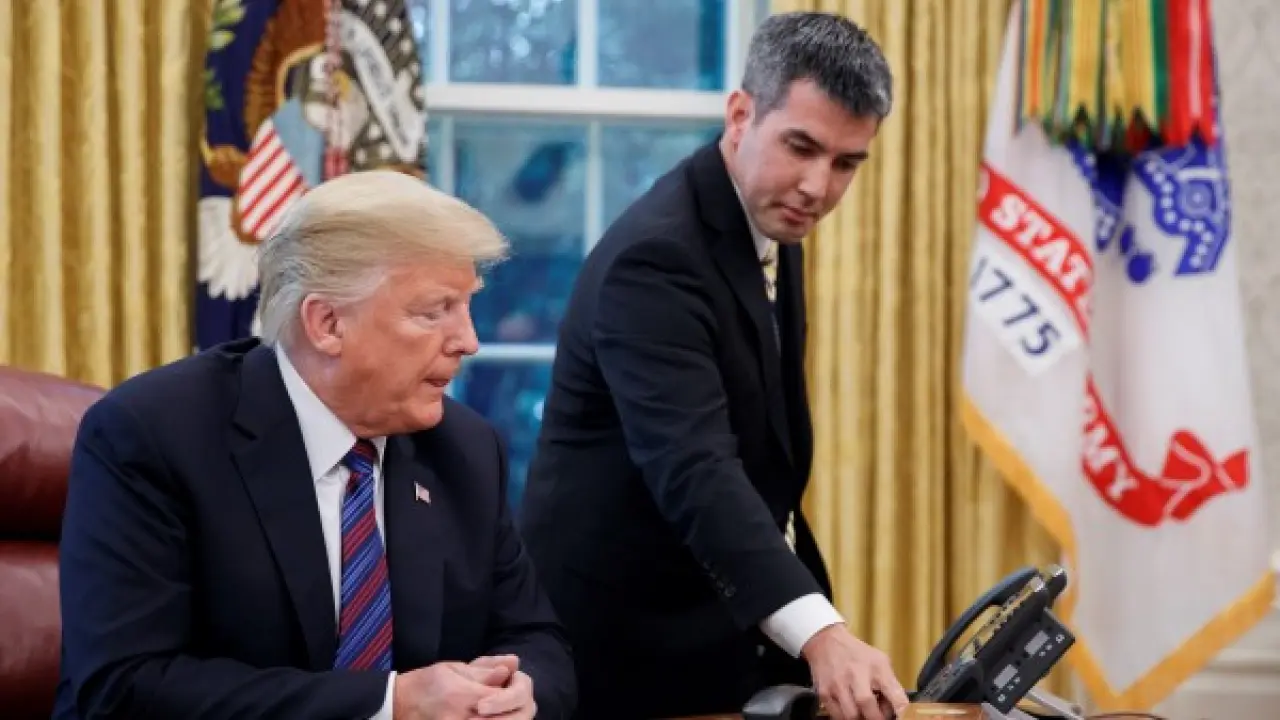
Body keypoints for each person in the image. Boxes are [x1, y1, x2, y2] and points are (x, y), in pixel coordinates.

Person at [54, 171, 575, 720]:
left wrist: (518, 691)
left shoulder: (464, 450)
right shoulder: (155, 436)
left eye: (466, 306)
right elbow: (124, 687)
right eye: (433, 312)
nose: (468, 341)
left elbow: (538, 641)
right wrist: (391, 705)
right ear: (327, 323)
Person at [519, 11, 905, 720]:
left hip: (713, 623)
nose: (818, 186)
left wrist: (814, 626)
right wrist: (818, 633)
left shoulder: (770, 219)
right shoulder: (657, 257)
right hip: (618, 649)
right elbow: (696, 468)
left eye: (846, 163)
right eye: (801, 147)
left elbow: (765, 458)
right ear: (739, 115)